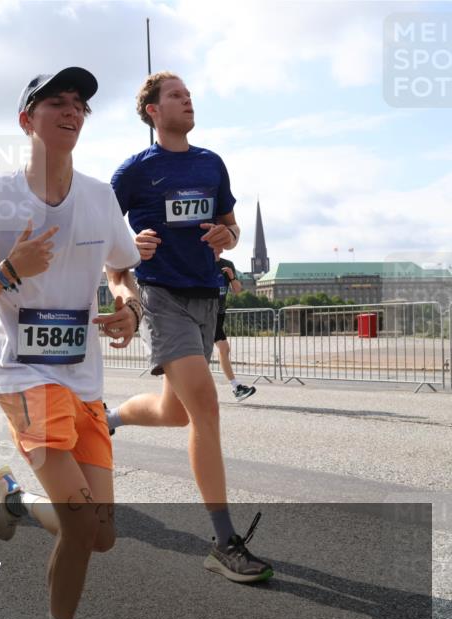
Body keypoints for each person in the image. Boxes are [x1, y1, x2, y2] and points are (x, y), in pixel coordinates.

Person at [0, 67, 142, 619]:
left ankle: (10, 502)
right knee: (82, 526)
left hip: (84, 379)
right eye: (56, 101)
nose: (72, 110)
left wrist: (127, 304)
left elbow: (121, 267)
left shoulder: (100, 197)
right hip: (25, 378)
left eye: (80, 103)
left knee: (102, 535)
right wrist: (9, 272)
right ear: (26, 119)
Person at [106, 71, 272, 583]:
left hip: (207, 298)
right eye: (176, 95)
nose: (188, 100)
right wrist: (127, 263)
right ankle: (223, 542)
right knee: (206, 406)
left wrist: (228, 233)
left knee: (173, 412)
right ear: (153, 110)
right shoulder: (134, 172)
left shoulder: (211, 162)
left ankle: (107, 418)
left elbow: (233, 229)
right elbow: (108, 255)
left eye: (189, 94)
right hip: (162, 298)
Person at [215, 258, 256, 401]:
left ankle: (236, 387)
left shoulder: (228, 264)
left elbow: (237, 290)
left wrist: (231, 276)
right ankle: (236, 387)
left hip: (219, 313)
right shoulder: (202, 258)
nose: (220, 248)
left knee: (221, 349)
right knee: (222, 348)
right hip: (205, 313)